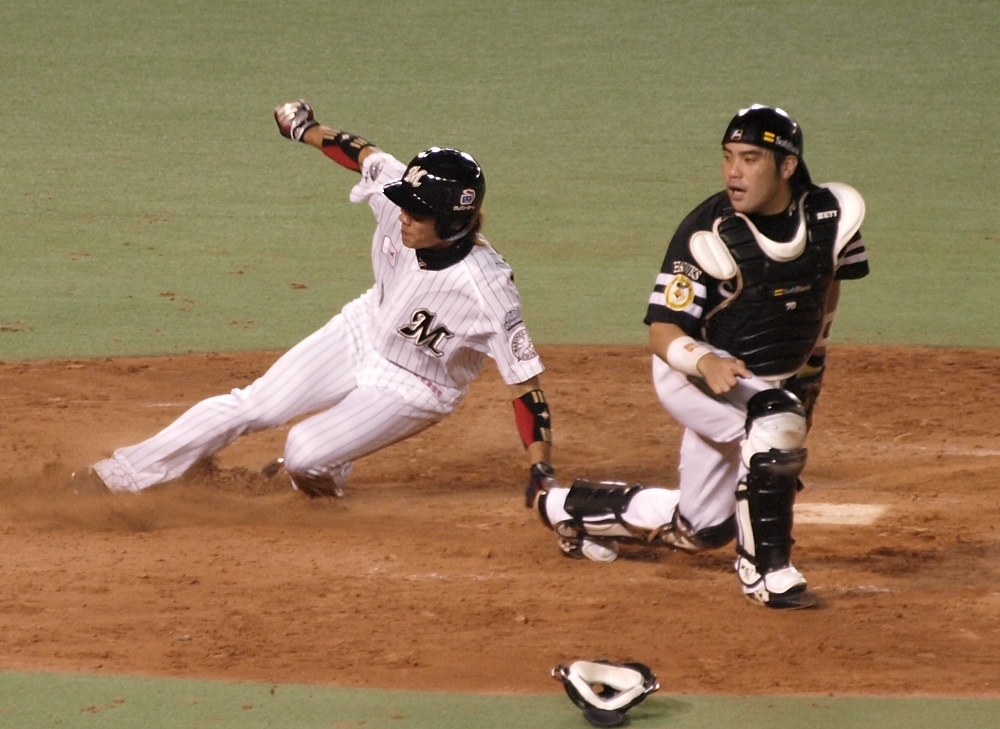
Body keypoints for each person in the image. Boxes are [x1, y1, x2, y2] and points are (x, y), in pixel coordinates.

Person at [73, 100, 556, 501]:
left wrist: (541, 471)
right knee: (253, 406)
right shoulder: (399, 199)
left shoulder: (487, 289)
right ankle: (118, 476)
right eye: (404, 203)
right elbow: (361, 152)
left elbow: (526, 389)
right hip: (362, 327)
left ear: (453, 222)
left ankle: (325, 475)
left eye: (418, 211)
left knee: (304, 455)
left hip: (415, 387)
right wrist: (304, 127)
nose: (403, 215)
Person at [528, 105, 869, 609]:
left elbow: (826, 288)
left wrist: (812, 364)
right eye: (728, 157)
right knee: (776, 425)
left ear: (787, 166)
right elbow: (662, 332)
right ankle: (765, 572)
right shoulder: (707, 231)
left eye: (750, 158)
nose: (734, 171)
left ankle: (565, 508)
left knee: (703, 527)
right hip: (692, 373)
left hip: (764, 377)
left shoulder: (829, 218)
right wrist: (705, 363)